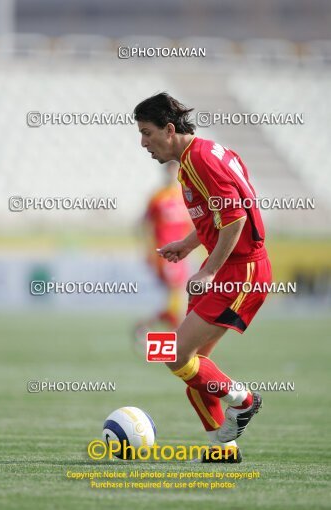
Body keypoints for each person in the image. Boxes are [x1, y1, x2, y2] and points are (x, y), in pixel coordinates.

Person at [134, 92, 272, 463]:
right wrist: (189, 243)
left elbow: (235, 218)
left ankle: (243, 401)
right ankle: (223, 451)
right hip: (226, 266)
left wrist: (209, 270)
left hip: (239, 271)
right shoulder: (203, 155)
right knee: (188, 369)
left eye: (147, 133)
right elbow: (224, 212)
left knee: (174, 353)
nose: (143, 143)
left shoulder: (199, 162)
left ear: (168, 128)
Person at [134, 161, 191, 346]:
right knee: (177, 296)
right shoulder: (157, 197)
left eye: (175, 171)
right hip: (165, 254)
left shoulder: (185, 196)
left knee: (178, 299)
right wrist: (147, 251)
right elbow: (143, 225)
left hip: (181, 255)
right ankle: (175, 339)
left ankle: (146, 327)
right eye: (169, 171)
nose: (171, 174)